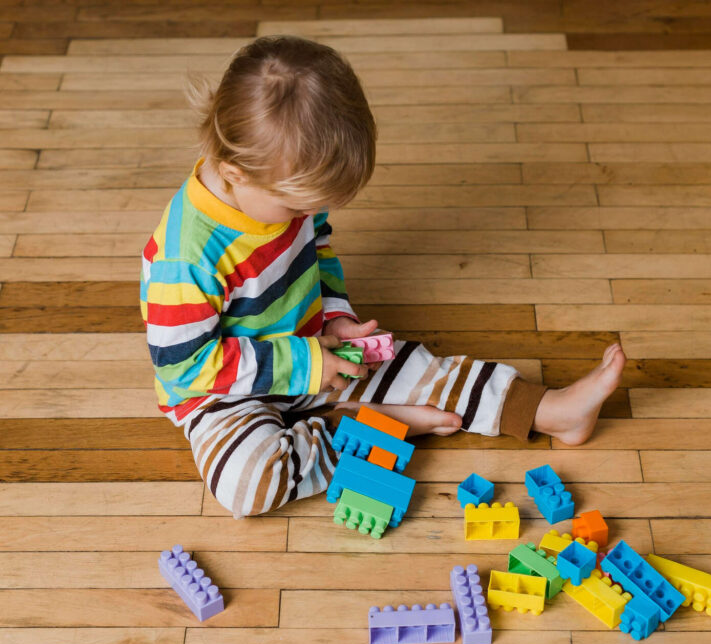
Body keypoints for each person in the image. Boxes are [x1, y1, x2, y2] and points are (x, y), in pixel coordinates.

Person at [140, 35, 626, 519]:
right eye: (297, 206)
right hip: (227, 391)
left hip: (314, 348)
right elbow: (184, 367)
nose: (306, 215)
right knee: (247, 484)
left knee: (418, 370)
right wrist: (306, 363)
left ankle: (552, 410)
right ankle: (369, 425)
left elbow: (317, 252)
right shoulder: (187, 260)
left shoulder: (285, 191)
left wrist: (335, 316)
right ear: (235, 172)